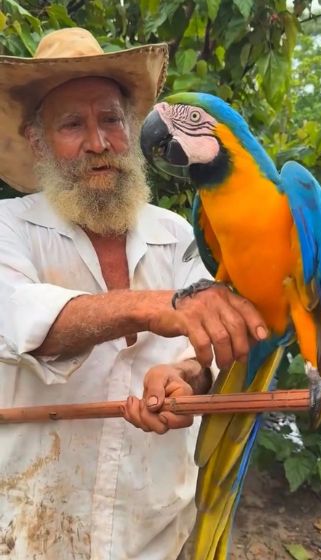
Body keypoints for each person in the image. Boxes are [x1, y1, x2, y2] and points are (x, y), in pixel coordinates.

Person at [0, 28, 265, 558]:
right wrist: (154, 306)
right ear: (37, 141)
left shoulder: (181, 233)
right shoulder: (9, 228)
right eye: (72, 125)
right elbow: (20, 321)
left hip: (154, 531)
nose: (98, 144)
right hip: (29, 531)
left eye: (111, 120)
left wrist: (187, 378)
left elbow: (207, 357)